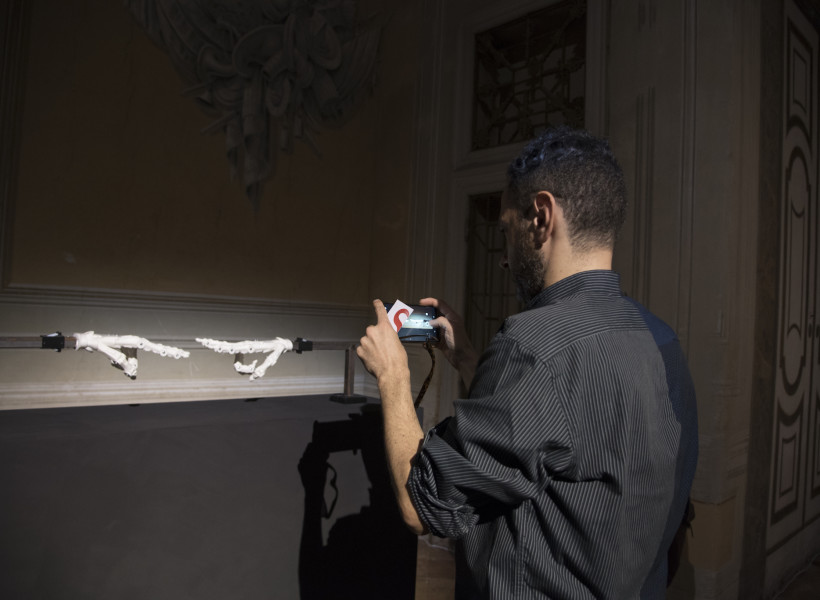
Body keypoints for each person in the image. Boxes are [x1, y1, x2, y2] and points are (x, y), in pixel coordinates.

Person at [356, 126, 699, 599]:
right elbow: (552, 436)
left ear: (540, 216)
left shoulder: (533, 345)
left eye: (506, 229)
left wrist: (393, 375)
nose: (504, 255)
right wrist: (468, 358)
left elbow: (423, 505)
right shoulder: (663, 341)